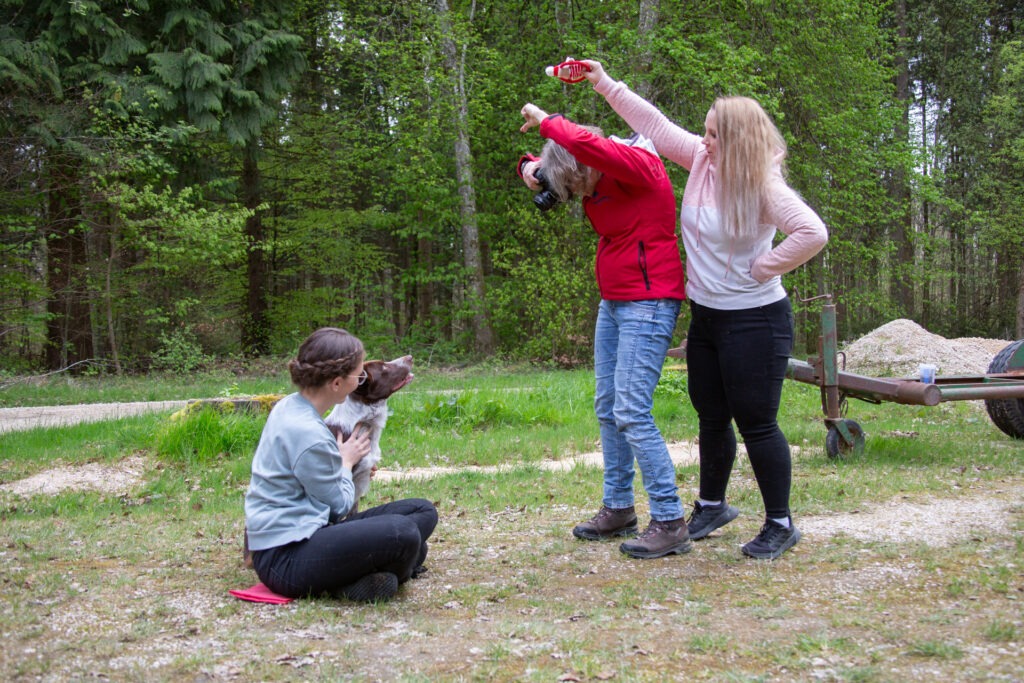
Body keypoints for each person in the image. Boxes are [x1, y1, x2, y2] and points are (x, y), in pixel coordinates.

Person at [577, 59, 829, 560]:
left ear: (737, 142)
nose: (704, 139)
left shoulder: (764, 187)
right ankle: (712, 505)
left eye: (714, 134)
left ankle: (780, 522)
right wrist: (602, 81)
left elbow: (813, 233)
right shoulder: (702, 162)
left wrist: (765, 267)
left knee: (756, 421)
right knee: (711, 414)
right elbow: (652, 124)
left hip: (756, 319)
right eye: (706, 132)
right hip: (709, 315)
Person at [518, 102, 689, 559]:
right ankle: (618, 508)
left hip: (649, 301)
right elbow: (546, 166)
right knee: (608, 405)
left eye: (577, 182)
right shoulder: (587, 170)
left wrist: (547, 120)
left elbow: (585, 144)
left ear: (589, 162)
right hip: (614, 301)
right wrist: (533, 169)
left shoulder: (637, 163)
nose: (580, 194)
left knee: (632, 409)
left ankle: (670, 520)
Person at [244, 327, 438, 601]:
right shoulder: (308, 433)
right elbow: (339, 506)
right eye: (359, 374)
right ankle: (348, 581)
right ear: (337, 383)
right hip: (286, 557)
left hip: (312, 527)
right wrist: (346, 463)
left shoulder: (291, 405)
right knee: (404, 533)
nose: (361, 378)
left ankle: (371, 569)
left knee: (422, 510)